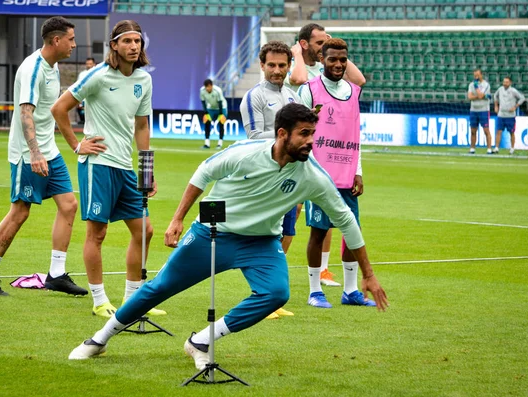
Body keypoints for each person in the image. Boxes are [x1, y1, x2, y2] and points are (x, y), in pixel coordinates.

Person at [68, 103, 389, 365]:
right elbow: (204, 172)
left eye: (313, 134)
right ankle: (99, 339)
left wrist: (369, 275)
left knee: (276, 293)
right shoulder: (247, 152)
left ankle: (202, 341)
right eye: (304, 134)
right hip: (214, 229)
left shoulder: (313, 176)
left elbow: (346, 220)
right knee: (160, 287)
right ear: (282, 134)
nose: (310, 141)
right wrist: (177, 219)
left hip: (262, 241)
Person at [51, 20, 165, 318]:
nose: (133, 46)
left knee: (145, 231)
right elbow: (59, 108)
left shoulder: (144, 80)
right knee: (97, 234)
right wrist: (77, 145)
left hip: (126, 167)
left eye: (137, 42)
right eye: (126, 41)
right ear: (114, 45)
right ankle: (100, 300)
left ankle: (133, 300)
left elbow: (141, 125)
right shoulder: (98, 76)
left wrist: (147, 171)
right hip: (98, 165)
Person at [0, 17, 86, 297]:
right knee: (20, 212)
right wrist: (35, 153)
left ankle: (56, 274)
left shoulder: (54, 65)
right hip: (28, 153)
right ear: (56, 40)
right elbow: (25, 112)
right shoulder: (33, 69)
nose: (74, 44)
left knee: (69, 205)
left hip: (50, 151)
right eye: (71, 39)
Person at [286, 23, 366, 288]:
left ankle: (351, 289)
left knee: (352, 231)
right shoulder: (308, 89)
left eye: (343, 59)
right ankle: (314, 290)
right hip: (319, 174)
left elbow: (354, 135)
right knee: (319, 232)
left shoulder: (353, 92)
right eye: (333, 58)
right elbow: (300, 131)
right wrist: (305, 169)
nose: (339, 64)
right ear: (322, 60)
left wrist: (359, 171)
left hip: (347, 174)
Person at [240, 41, 300, 319]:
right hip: (264, 176)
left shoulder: (292, 95)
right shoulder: (254, 96)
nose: (277, 70)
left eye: (282, 65)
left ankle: (272, 299)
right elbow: (253, 138)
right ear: (262, 65)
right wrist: (286, 138)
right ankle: (263, 296)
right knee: (267, 235)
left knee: (287, 231)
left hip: (289, 174)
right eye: (272, 65)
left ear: (289, 66)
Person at [285, 23, 366, 93]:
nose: (324, 47)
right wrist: (298, 54)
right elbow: (301, 79)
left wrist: (335, 51)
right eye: (319, 43)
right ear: (304, 44)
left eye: (325, 43)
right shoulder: (287, 65)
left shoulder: (324, 65)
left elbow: (358, 81)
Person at [493, 76, 525, 155]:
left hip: (510, 115)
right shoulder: (500, 89)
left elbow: (522, 98)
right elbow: (495, 96)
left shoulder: (513, 91)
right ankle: (496, 148)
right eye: (504, 82)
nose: (505, 83)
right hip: (501, 114)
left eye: (507, 82)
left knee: (511, 132)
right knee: (499, 131)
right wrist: (496, 105)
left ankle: (512, 148)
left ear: (510, 83)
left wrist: (515, 107)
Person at [467, 68, 492, 154]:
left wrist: (476, 87)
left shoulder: (486, 85)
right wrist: (480, 96)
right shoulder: (471, 85)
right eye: (475, 75)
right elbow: (470, 97)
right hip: (473, 110)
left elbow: (480, 95)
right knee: (473, 130)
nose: (476, 77)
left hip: (484, 110)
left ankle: (489, 149)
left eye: (478, 75)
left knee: (486, 130)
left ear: (481, 75)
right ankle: (472, 148)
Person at [199, 79, 228, 149]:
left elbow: (220, 102)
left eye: (209, 87)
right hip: (211, 108)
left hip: (222, 108)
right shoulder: (202, 91)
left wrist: (221, 114)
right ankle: (207, 144)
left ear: (212, 86)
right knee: (207, 122)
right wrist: (206, 113)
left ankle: (219, 144)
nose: (208, 89)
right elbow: (203, 102)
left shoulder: (217, 91)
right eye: (206, 87)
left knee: (221, 123)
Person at [76, 57, 96, 124]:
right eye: (87, 64)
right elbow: (78, 87)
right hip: (84, 99)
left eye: (90, 64)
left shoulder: (98, 73)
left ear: (94, 64)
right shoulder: (82, 74)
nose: (88, 65)